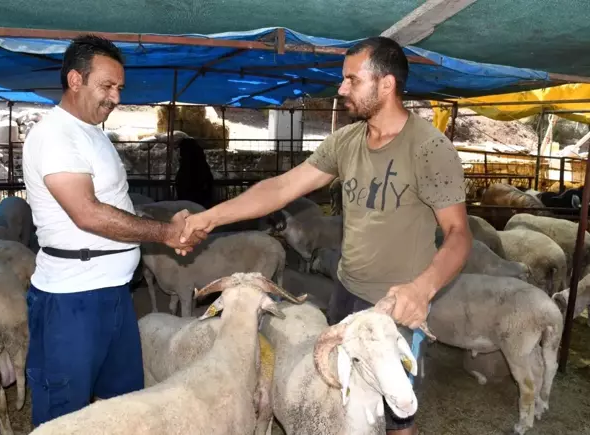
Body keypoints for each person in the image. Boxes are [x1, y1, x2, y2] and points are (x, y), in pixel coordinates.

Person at [179, 36, 472, 434]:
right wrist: (210, 217)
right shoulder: (347, 141)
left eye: (352, 79)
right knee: (343, 397)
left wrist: (422, 290)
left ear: (386, 85)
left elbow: (458, 235)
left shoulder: (429, 148)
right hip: (345, 291)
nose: (341, 88)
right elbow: (281, 188)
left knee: (397, 415)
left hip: (395, 306)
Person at [22, 34, 206, 427]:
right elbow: (87, 213)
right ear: (75, 80)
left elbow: (114, 202)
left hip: (114, 293)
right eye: (106, 86)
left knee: (121, 407)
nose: (116, 97)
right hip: (73, 298)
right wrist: (166, 233)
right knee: (63, 415)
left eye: (119, 87)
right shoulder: (55, 134)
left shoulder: (93, 133)